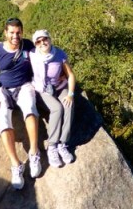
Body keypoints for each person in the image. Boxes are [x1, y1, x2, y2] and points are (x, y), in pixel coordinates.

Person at [0, 18, 42, 190]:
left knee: (30, 110)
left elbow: (44, 56)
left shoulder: (28, 45)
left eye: (18, 32)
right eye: (11, 33)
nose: (15, 36)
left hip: (24, 86)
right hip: (4, 90)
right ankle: (16, 164)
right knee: (3, 122)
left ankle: (33, 152)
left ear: (22, 32)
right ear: (5, 33)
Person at [30, 29, 76, 168]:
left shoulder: (59, 54)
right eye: (38, 41)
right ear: (35, 44)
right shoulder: (31, 55)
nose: (42, 43)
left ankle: (62, 143)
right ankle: (52, 145)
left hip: (59, 87)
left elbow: (71, 75)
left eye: (45, 39)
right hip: (41, 90)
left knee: (68, 105)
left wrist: (70, 94)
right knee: (57, 108)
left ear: (50, 39)